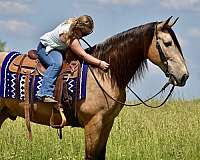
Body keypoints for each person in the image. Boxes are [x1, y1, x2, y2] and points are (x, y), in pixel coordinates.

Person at [37, 15, 109, 103]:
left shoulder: (72, 26)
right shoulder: (70, 37)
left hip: (58, 48)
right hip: (46, 48)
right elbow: (83, 55)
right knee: (56, 64)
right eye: (84, 33)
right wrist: (99, 63)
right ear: (78, 29)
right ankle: (44, 93)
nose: (84, 36)